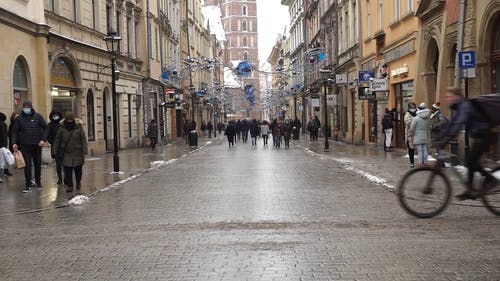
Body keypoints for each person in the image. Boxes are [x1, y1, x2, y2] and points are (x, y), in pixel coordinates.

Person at [437, 87, 498, 200]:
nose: (447, 99)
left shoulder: (465, 105)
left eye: (449, 96)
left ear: (457, 96)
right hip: (481, 136)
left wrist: (447, 139)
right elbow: (452, 124)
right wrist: (441, 137)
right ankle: (470, 189)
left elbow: (458, 123)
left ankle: (491, 179)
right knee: (470, 161)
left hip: (487, 135)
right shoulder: (460, 107)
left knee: (471, 160)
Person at [12, 101, 48, 192]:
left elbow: (46, 128)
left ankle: (38, 182)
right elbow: (14, 132)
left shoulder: (38, 117)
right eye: (25, 107)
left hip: (37, 145)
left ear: (31, 107)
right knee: (27, 165)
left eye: (28, 107)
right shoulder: (19, 119)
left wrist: (43, 139)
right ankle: (28, 185)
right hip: (25, 145)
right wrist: (14, 143)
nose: (26, 108)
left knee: (37, 164)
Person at [52, 113, 87, 193]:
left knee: (78, 170)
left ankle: (78, 182)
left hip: (77, 152)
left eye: (71, 121)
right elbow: (57, 139)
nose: (70, 122)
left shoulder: (79, 127)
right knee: (67, 171)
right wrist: (54, 150)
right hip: (66, 152)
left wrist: (85, 150)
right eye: (68, 121)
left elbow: (83, 139)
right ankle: (70, 186)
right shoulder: (62, 128)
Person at [47, 111, 63, 184]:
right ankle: (60, 178)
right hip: (55, 147)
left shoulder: (62, 124)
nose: (55, 116)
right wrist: (52, 142)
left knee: (66, 163)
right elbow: (48, 135)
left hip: (64, 146)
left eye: (57, 115)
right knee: (58, 164)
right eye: (54, 115)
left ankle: (66, 177)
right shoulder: (50, 125)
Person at [5, 112, 19, 177]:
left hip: (17, 142)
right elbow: (11, 134)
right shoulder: (13, 124)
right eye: (16, 117)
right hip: (14, 143)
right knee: (10, 156)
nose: (17, 118)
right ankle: (6, 169)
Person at [404, 102, 417, 168]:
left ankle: (422, 162)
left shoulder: (418, 113)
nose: (413, 109)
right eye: (411, 107)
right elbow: (408, 122)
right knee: (411, 149)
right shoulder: (407, 114)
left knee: (419, 148)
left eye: (414, 107)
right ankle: (412, 162)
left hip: (417, 134)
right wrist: (415, 123)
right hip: (410, 134)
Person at [0, 113, 7, 182]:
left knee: (1, 162)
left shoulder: (2, 124)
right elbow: (5, 136)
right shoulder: (3, 124)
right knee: (1, 162)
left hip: (1, 146)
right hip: (2, 146)